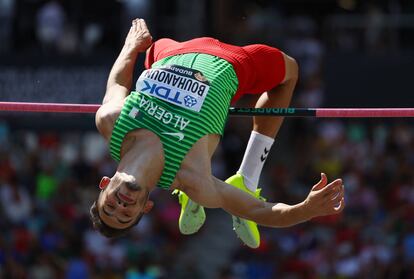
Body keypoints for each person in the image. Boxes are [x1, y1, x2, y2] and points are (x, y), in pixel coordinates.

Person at [89, 19, 345, 245]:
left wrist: (131, 45)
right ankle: (247, 177)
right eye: (125, 215)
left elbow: (118, 84)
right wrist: (305, 210)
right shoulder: (192, 177)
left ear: (105, 184)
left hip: (168, 52)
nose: (120, 206)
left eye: (110, 206)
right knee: (290, 71)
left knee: (150, 51)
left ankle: (196, 199)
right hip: (233, 63)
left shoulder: (111, 122)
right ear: (146, 207)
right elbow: (258, 211)